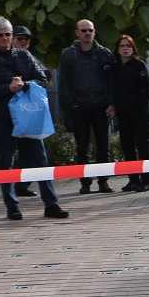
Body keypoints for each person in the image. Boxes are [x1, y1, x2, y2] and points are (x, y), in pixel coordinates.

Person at [0, 17, 68, 220]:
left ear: (12, 36)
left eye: (8, 34)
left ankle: (51, 204)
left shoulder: (24, 55)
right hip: (2, 118)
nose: (4, 38)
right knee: (6, 163)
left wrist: (25, 84)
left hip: (28, 116)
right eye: (0, 35)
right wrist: (7, 88)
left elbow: (43, 79)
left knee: (41, 161)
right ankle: (12, 207)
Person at [58, 18, 115, 194]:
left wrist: (111, 103)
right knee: (82, 147)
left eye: (90, 30)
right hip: (80, 107)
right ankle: (85, 183)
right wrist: (72, 105)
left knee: (103, 146)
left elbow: (112, 80)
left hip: (100, 107)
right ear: (77, 33)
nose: (87, 33)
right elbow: (63, 82)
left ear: (94, 32)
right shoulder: (68, 54)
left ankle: (103, 182)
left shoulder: (104, 53)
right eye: (83, 30)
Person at [10, 25, 51, 199]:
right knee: (10, 153)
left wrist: (25, 84)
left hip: (30, 111)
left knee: (34, 153)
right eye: (20, 38)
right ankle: (12, 189)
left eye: (27, 38)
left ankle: (24, 186)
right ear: (12, 40)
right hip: (9, 113)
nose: (24, 41)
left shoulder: (32, 59)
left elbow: (43, 79)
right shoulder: (4, 58)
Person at [112, 34, 149, 193]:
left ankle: (146, 181)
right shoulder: (115, 67)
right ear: (117, 49)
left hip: (140, 114)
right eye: (122, 46)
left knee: (143, 148)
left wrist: (137, 105)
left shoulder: (139, 65)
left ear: (133, 48)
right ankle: (133, 180)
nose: (125, 49)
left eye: (128, 46)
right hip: (123, 115)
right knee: (127, 148)